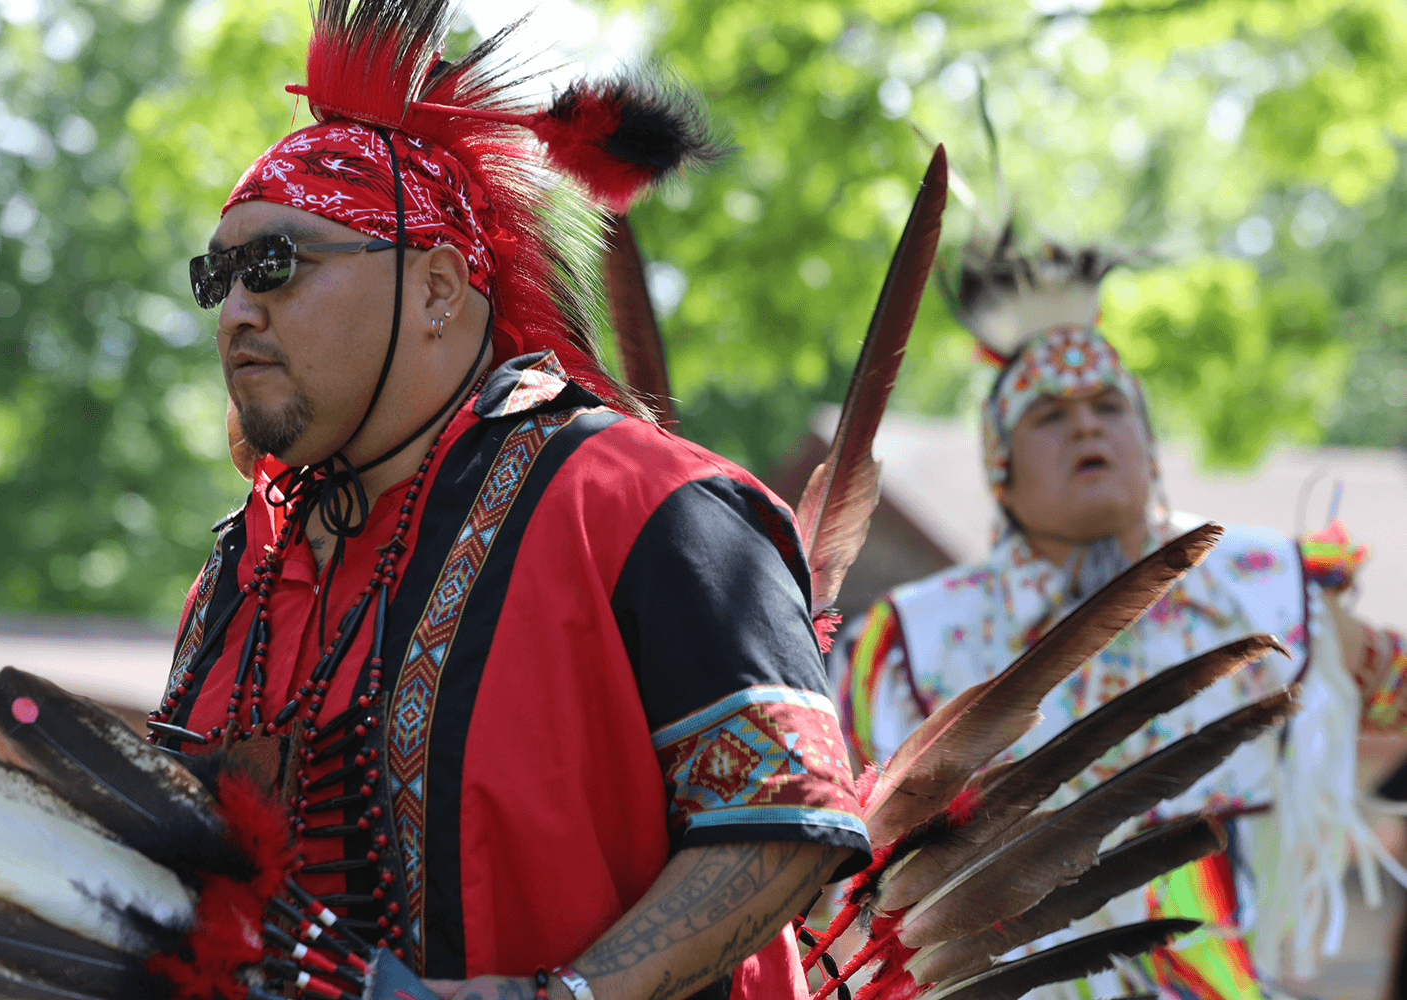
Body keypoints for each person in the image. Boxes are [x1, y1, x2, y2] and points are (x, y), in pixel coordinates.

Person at [147, 4, 869, 999]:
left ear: (438, 287)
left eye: (276, 265)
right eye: (215, 278)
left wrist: (567, 996)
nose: (235, 311)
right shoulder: (248, 566)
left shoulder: (641, 505)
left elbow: (783, 819)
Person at [836, 241, 1407, 1000]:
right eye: (1049, 416)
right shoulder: (914, 639)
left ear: (1148, 445)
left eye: (1110, 407)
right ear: (999, 467)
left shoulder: (1272, 589)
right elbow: (846, 844)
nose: (1086, 429)